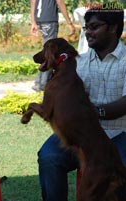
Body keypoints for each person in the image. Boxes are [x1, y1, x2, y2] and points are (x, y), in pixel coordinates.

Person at [37, 4, 126, 201]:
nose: (87, 33)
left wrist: (93, 112)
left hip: (120, 134)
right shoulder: (77, 61)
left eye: (94, 27)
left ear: (113, 28)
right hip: (80, 134)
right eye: (86, 28)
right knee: (48, 157)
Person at [30, 0, 76, 92]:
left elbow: (33, 2)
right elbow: (60, 1)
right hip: (49, 19)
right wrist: (69, 22)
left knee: (47, 51)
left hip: (40, 19)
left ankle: (39, 82)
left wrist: (33, 21)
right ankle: (42, 84)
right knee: (50, 53)